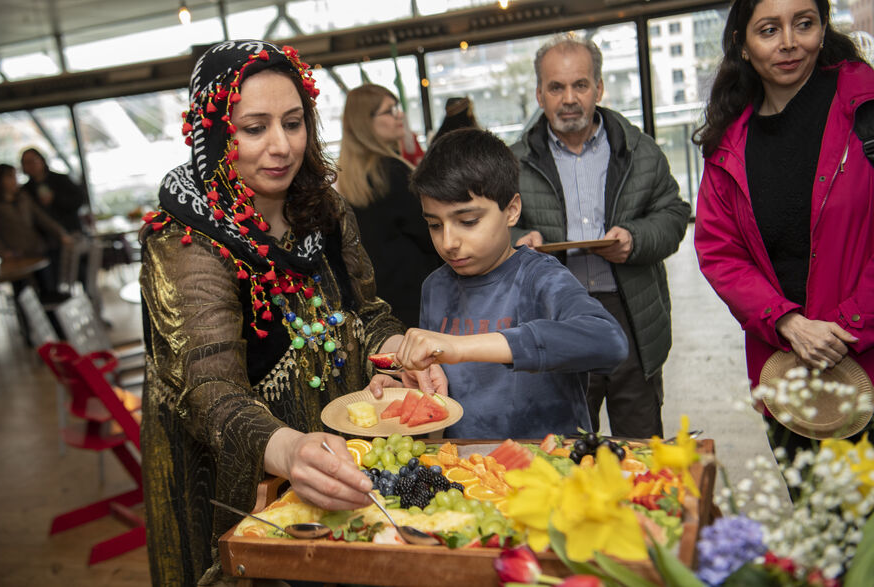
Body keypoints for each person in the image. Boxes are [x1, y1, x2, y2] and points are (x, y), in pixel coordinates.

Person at [139, 41, 443, 586]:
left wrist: (399, 352)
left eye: (293, 122)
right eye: (254, 128)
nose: (281, 146)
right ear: (214, 130)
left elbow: (366, 311)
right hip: (245, 473)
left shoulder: (324, 208)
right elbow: (210, 389)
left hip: (337, 452)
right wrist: (288, 449)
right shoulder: (187, 240)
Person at [693, 0, 874, 456]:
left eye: (804, 24)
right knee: (815, 521)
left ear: (823, 27)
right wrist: (788, 322)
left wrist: (848, 324)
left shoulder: (866, 109)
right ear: (744, 44)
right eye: (769, 30)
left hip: (866, 354)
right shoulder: (728, 142)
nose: (789, 43)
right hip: (787, 371)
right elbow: (721, 252)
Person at [392, 127, 627, 439]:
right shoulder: (435, 287)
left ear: (512, 210)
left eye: (468, 222)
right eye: (435, 225)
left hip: (545, 468)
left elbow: (608, 340)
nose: (448, 242)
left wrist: (460, 347)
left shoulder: (539, 277)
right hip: (468, 467)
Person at [510, 35, 691, 439]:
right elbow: (492, 227)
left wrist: (636, 238)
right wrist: (518, 241)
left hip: (632, 313)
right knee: (567, 443)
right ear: (540, 94)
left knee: (640, 443)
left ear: (599, 88)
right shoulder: (513, 162)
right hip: (557, 316)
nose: (569, 98)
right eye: (556, 87)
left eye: (580, 85)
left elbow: (675, 213)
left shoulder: (639, 150)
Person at [338, 83, 441, 327]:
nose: (399, 116)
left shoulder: (352, 177)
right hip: (416, 295)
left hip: (381, 297)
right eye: (390, 110)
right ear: (366, 121)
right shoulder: (392, 172)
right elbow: (428, 232)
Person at [0, 163, 70, 298]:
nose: (14, 180)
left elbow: (41, 218)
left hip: (36, 249)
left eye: (15, 176)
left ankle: (51, 317)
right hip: (16, 255)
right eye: (10, 177)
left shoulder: (23, 197)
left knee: (48, 289)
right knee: (24, 294)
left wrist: (60, 233)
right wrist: (2, 252)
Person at [20, 148, 87, 236]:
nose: (31, 166)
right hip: (45, 238)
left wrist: (56, 199)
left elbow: (80, 199)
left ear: (42, 160)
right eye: (26, 163)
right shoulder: (25, 190)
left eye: (33, 161)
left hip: (72, 231)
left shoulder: (60, 179)